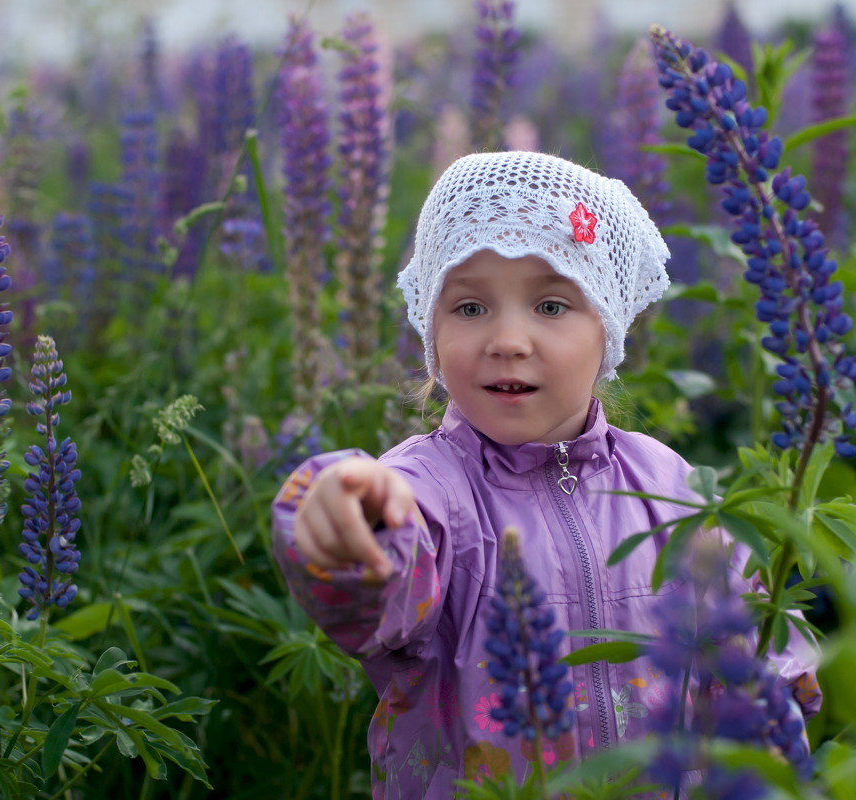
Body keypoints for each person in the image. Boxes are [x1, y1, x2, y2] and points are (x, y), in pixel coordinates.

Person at [272, 151, 821, 798]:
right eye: (470, 308)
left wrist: (779, 717)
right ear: (432, 329)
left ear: (606, 331)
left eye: (552, 305)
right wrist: (349, 514)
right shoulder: (429, 489)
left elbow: (752, 633)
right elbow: (380, 588)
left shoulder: (667, 482)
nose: (507, 339)